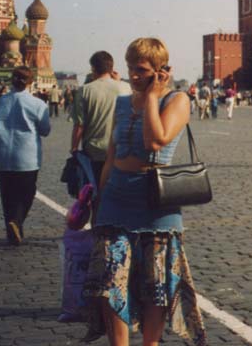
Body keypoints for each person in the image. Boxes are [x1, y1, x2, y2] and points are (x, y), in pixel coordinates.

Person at [84, 38, 206, 346]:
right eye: (130, 68)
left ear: (162, 71)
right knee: (110, 280)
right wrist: (100, 198)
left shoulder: (177, 100)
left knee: (156, 283)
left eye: (141, 70)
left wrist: (152, 97)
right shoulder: (122, 103)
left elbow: (156, 140)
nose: (134, 76)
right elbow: (111, 156)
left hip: (155, 202)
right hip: (116, 198)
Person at [0, 67, 51, 245]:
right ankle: (16, 222)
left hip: (1, 155)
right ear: (30, 82)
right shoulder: (38, 104)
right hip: (26, 157)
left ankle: (13, 230)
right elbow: (45, 130)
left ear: (12, 79)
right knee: (27, 193)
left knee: (7, 194)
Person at [71, 51, 132, 188]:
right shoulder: (126, 87)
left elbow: (79, 125)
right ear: (111, 68)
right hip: (120, 150)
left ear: (93, 68)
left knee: (95, 190)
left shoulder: (84, 90)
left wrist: (74, 148)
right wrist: (118, 81)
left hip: (94, 151)